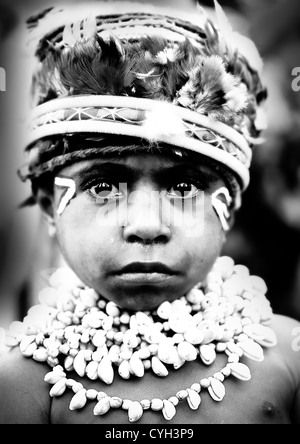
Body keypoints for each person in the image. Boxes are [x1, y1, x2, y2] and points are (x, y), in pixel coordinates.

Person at [0, 1, 299, 425]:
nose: (146, 226)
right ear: (50, 207)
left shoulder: (287, 357)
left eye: (183, 186)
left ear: (228, 205)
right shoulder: (21, 378)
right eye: (103, 186)